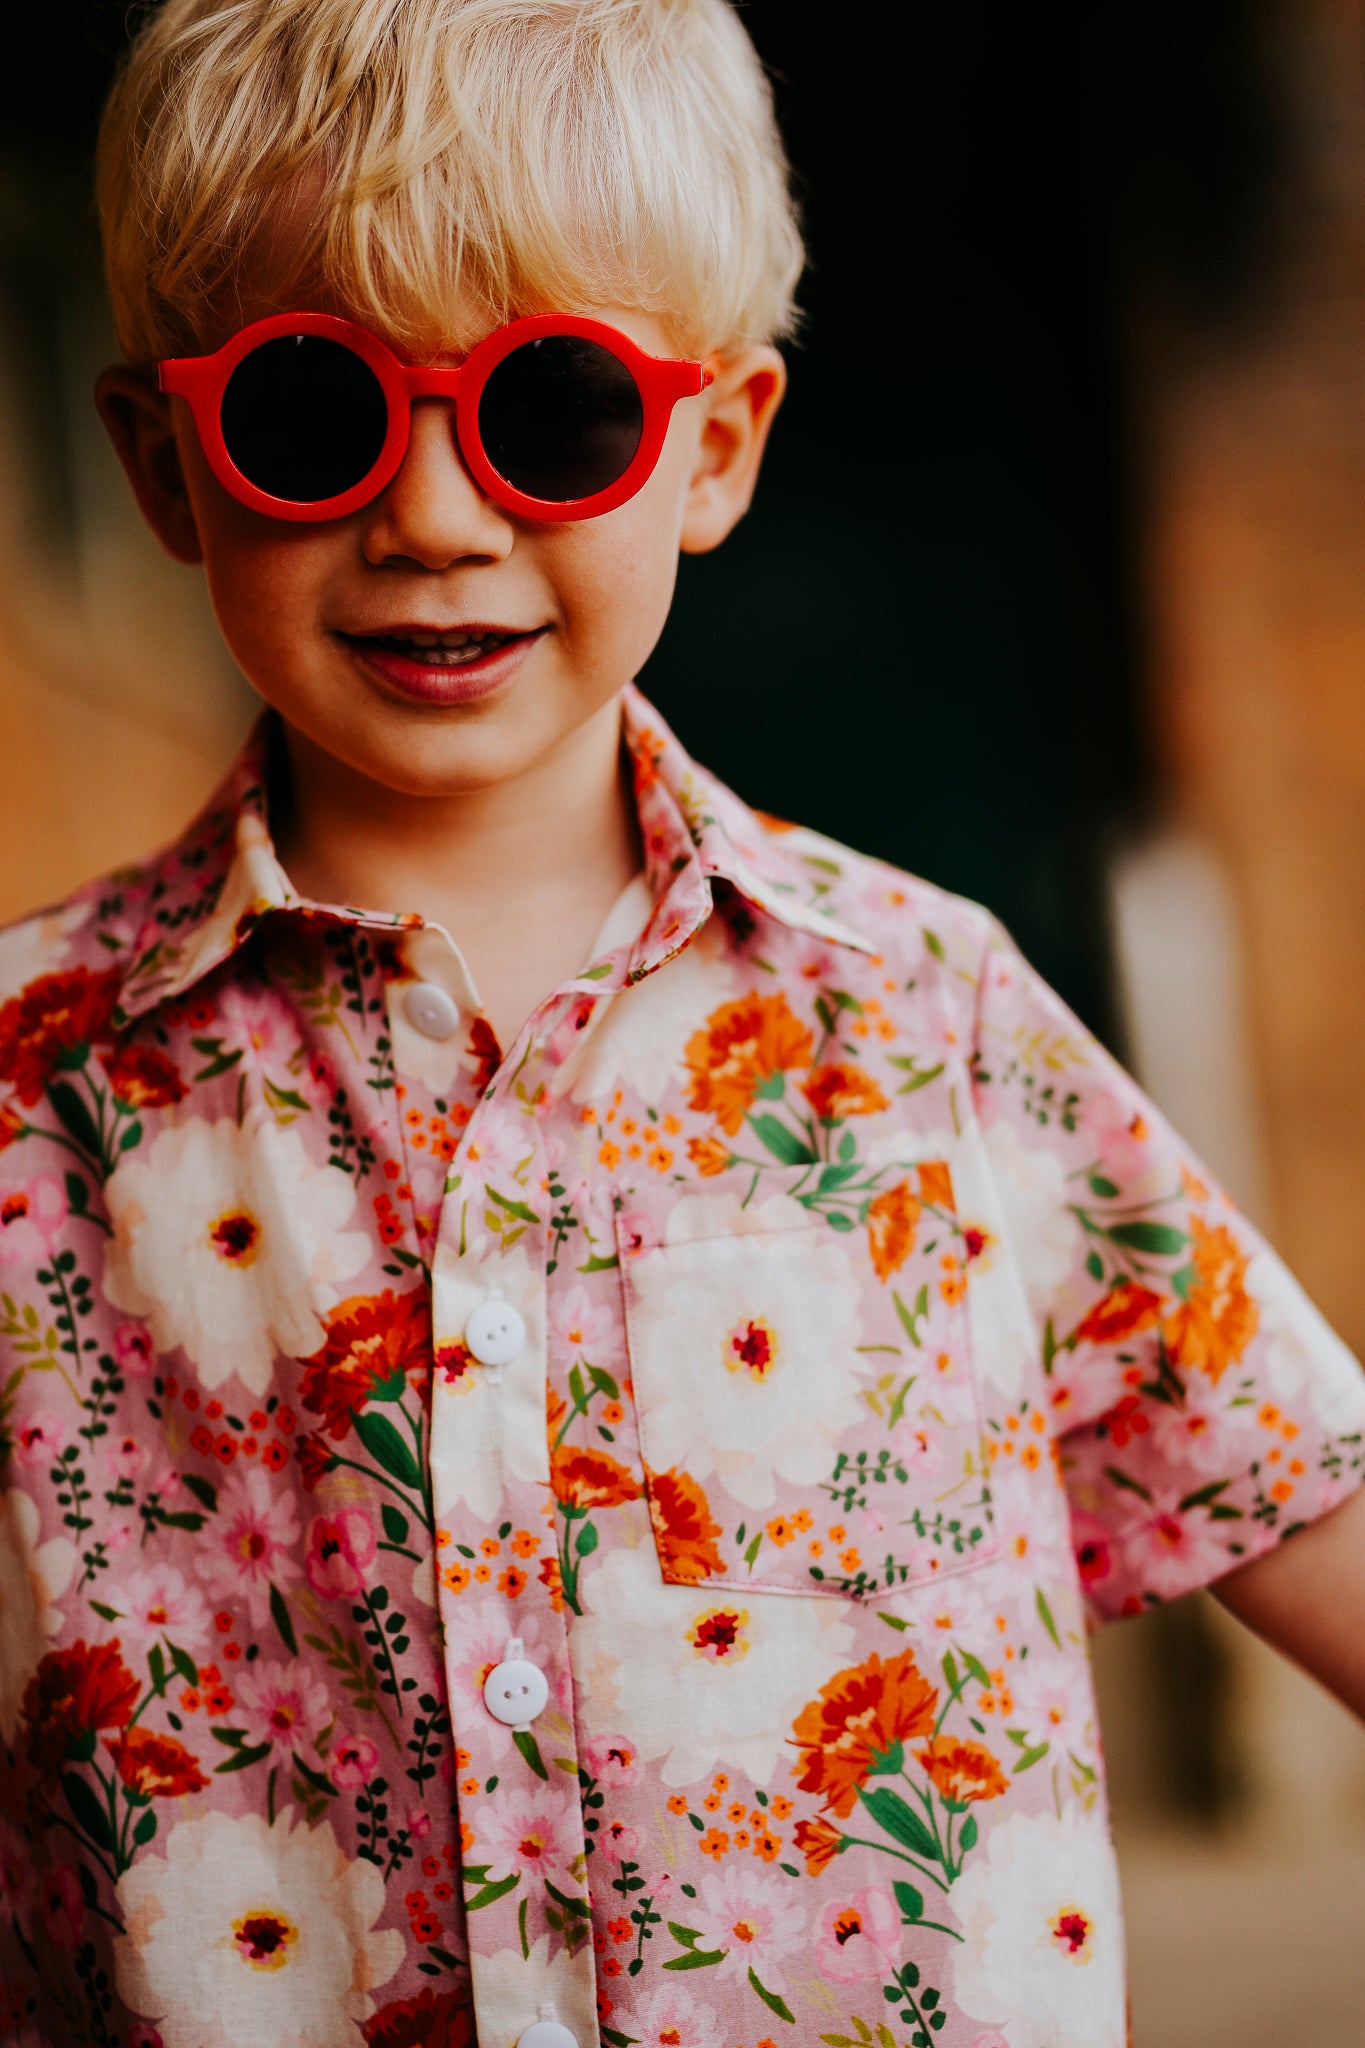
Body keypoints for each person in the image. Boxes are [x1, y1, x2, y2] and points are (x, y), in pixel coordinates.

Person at [0, 1, 1362, 2043]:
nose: (440, 517)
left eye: (552, 417)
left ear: (711, 448)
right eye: (315, 414)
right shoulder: (36, 1086)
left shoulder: (921, 1018)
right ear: (167, 465)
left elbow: (1293, 1480)